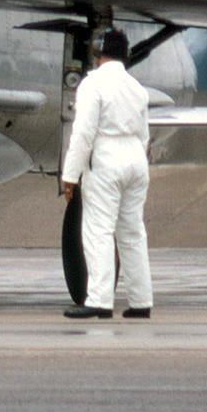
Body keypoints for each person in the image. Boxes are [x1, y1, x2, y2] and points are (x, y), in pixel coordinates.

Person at [60, 28, 152, 320]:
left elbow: (83, 134)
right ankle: (140, 301)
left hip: (106, 158)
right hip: (136, 159)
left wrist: (70, 175)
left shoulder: (93, 84)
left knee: (98, 230)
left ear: (98, 50)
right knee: (133, 232)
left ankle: (99, 300)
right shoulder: (138, 88)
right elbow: (144, 134)